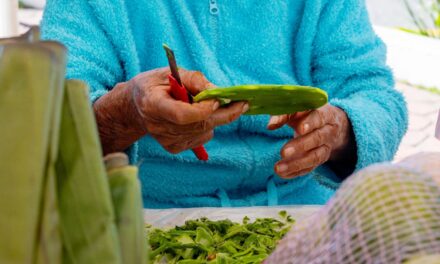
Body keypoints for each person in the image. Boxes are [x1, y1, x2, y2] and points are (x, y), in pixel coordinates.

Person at [41, 0, 407, 208]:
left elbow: (376, 95)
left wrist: (339, 129)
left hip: (302, 207)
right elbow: (49, 125)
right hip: (141, 214)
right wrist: (125, 113)